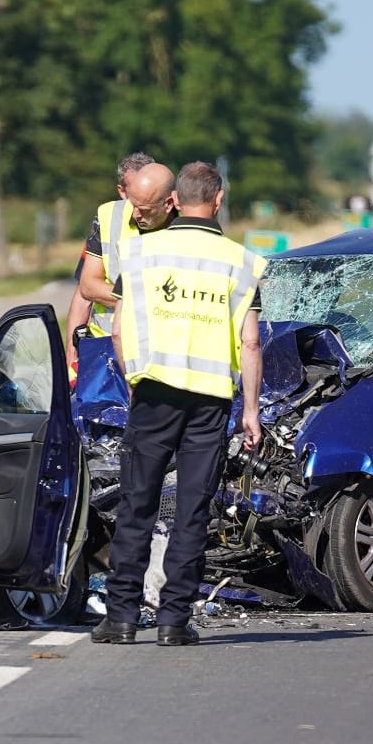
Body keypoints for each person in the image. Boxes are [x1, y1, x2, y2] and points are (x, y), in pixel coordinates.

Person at [91, 162, 265, 647]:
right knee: (192, 510)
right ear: (219, 198)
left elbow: (121, 327)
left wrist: (132, 382)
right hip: (210, 401)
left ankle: (122, 617)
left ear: (174, 200)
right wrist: (250, 411)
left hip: (153, 394)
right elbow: (250, 343)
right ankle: (172, 620)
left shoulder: (140, 251)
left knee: (137, 504)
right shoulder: (241, 262)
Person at [65, 152, 156, 368]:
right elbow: (85, 289)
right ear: (122, 191)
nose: (140, 200)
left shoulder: (174, 220)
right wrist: (71, 349)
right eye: (133, 191)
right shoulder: (107, 217)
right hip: (104, 348)